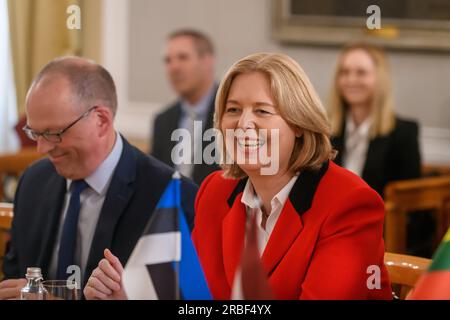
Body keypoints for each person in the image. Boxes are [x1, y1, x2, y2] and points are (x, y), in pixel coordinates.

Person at [85, 53, 392, 300]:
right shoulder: (216, 190)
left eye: (262, 111)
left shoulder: (350, 203)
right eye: (233, 110)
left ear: (298, 123)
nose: (243, 124)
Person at [0, 57, 198, 300]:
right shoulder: (34, 181)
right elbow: (14, 275)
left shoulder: (170, 196)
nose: (41, 148)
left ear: (101, 121)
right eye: (34, 133)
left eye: (53, 133)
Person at [328, 43, 421, 197]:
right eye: (344, 72)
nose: (351, 80)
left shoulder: (404, 133)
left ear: (380, 78)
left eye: (361, 73)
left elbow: (410, 204)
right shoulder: (325, 130)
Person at [151, 29, 220, 185]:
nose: (174, 67)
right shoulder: (162, 121)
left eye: (183, 57)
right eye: (168, 60)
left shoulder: (233, 114)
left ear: (207, 61)